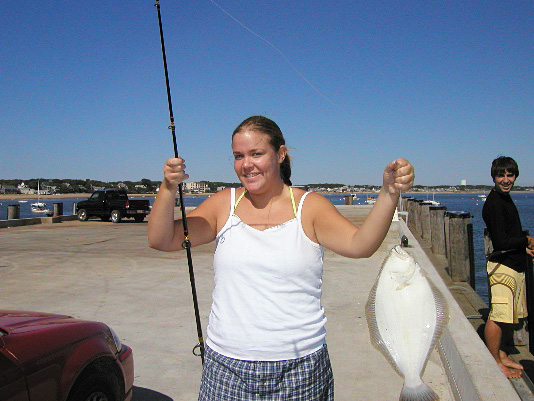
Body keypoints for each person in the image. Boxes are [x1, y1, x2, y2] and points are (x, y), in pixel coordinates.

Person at [148, 115, 414, 400]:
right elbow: (162, 239)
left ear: (280, 154)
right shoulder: (223, 204)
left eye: (256, 153)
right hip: (225, 365)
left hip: (300, 367)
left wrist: (389, 193)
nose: (246, 164)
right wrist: (167, 188)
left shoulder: (309, 207)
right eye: (238, 156)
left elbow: (360, 245)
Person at [482, 156, 534, 379]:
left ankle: (501, 353)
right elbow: (502, 242)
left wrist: (524, 244)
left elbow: (511, 233)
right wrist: (527, 241)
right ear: (493, 177)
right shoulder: (494, 204)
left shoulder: (505, 199)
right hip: (502, 267)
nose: (505, 180)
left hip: (513, 264)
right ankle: (494, 362)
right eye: (501, 175)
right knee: (498, 315)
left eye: (509, 175)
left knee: (509, 316)